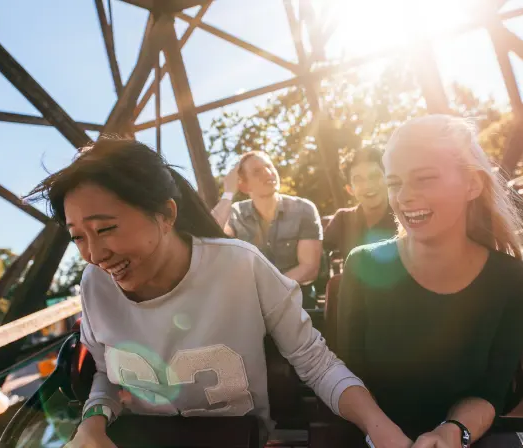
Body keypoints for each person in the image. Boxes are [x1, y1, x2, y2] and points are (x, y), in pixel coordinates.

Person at [25, 139, 412, 448]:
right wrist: (93, 424)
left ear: (166, 215)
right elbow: (107, 374)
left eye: (105, 229)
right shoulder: (94, 284)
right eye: (78, 237)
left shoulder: (241, 266)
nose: (94, 254)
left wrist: (379, 428)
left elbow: (315, 362)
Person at [336, 116, 523, 447]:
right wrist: (380, 431)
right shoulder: (362, 265)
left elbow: (489, 392)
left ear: (472, 185)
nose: (404, 197)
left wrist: (452, 432)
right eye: (394, 183)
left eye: (424, 179)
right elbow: (347, 376)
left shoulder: (513, 280)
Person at [211, 151, 323, 307]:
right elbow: (209, 237)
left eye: (269, 166)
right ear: (243, 185)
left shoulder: (303, 209)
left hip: (297, 298)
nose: (268, 173)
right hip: (251, 302)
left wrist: (267, 291)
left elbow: (309, 268)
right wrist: (228, 193)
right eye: (257, 171)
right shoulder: (235, 213)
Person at [324, 148, 396, 262]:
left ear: (388, 179)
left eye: (374, 176)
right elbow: (320, 253)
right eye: (358, 180)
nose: (368, 185)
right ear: (350, 189)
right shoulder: (342, 219)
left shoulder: (403, 215)